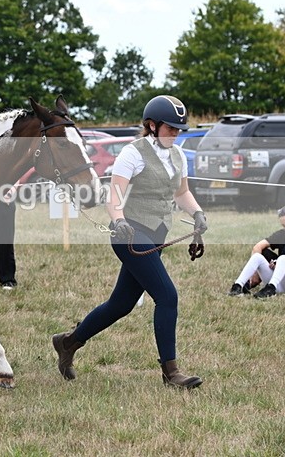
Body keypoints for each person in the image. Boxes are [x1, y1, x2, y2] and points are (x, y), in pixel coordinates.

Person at [52, 95, 208, 389]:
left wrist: (197, 213)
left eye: (178, 129)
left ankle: (69, 342)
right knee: (167, 296)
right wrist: (119, 219)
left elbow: (182, 193)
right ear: (152, 125)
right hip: (131, 233)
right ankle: (171, 372)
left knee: (121, 304)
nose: (175, 133)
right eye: (170, 128)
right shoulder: (132, 153)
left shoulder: (177, 155)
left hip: (157, 233)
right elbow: (115, 194)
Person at [228, 206, 285, 296]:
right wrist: (256, 274)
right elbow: (258, 247)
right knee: (257, 256)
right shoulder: (282, 234)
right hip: (278, 278)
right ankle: (237, 286)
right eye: (283, 225)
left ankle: (271, 288)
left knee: (283, 258)